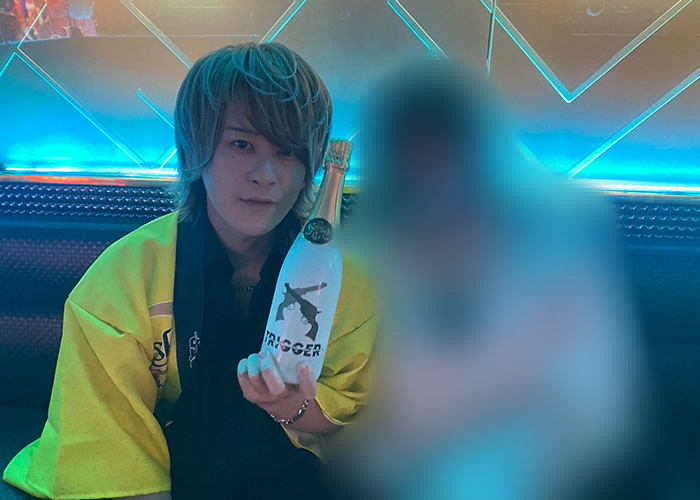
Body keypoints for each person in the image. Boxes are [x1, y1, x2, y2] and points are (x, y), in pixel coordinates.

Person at [3, 42, 376, 500]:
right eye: (242, 144)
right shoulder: (123, 278)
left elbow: (362, 425)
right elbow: (110, 449)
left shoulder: (349, 282)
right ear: (195, 149)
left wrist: (290, 405)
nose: (266, 174)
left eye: (287, 151)